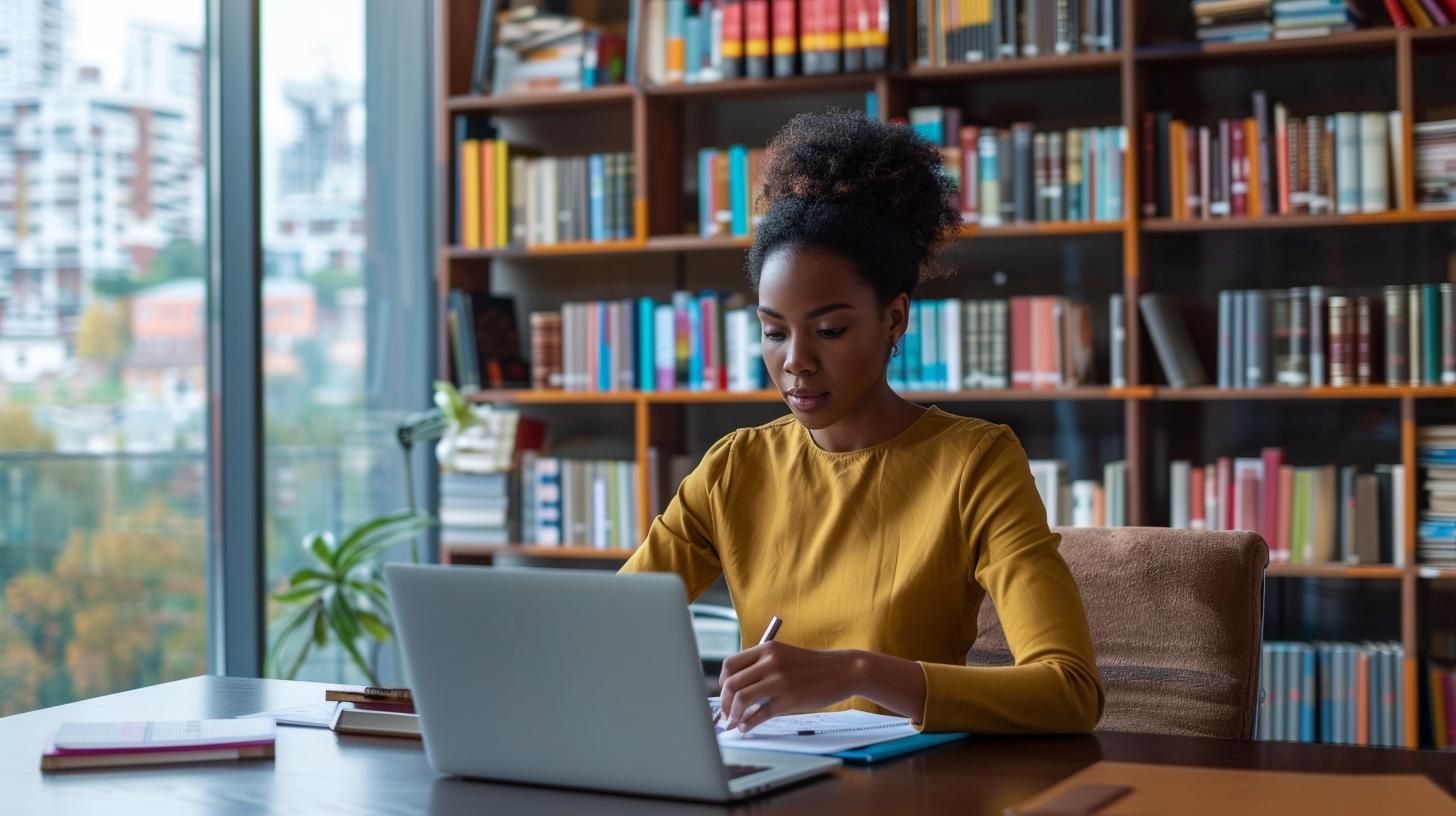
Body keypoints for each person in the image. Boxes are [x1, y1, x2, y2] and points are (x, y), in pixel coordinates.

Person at [619, 111, 1103, 735]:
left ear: (895, 320)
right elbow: (612, 626)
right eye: (773, 331)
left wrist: (855, 672)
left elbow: (1069, 691)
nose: (795, 361)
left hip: (906, 792)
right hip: (768, 779)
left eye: (831, 330)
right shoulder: (734, 468)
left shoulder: (975, 463)